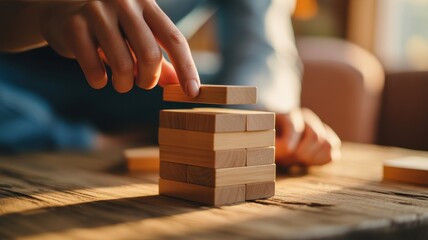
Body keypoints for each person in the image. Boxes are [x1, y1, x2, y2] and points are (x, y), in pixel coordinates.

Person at [0, 0, 340, 166]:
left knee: (213, 93)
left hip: (145, 80)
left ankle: (65, 134)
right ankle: (92, 140)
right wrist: (37, 11)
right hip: (14, 76)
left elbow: (260, 39)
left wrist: (263, 114)